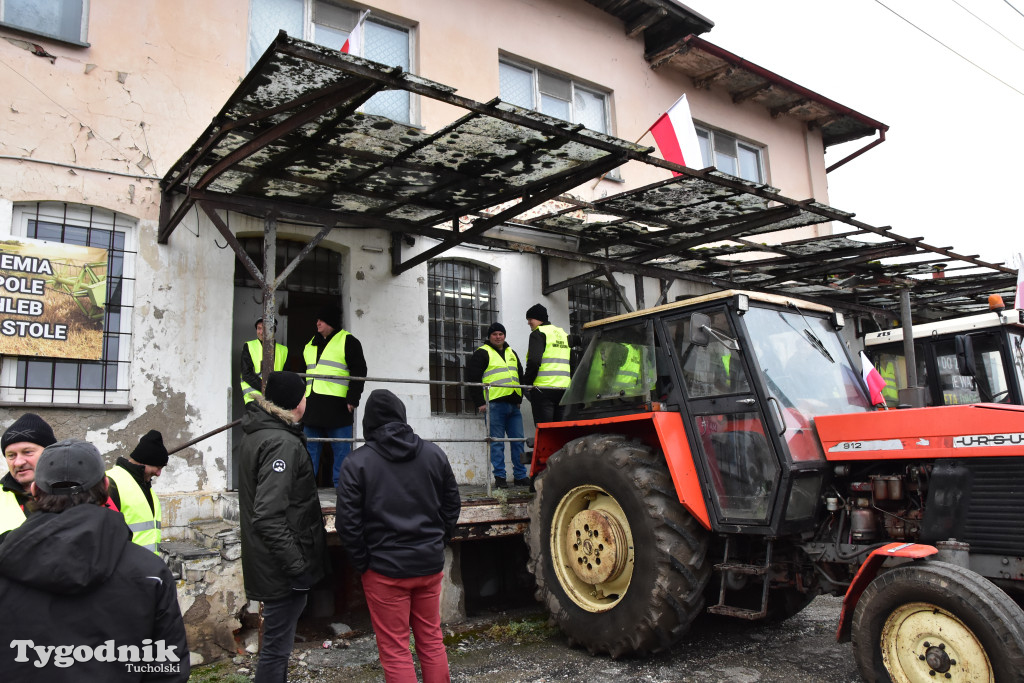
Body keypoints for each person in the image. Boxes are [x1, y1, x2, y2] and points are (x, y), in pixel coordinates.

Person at [0, 439, 189, 682]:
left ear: (35, 490)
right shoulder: (150, 572)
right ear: (106, 488)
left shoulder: (6, 563)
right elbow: (167, 671)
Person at [336, 389, 461, 683]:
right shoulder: (434, 454)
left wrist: (363, 562)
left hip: (384, 570)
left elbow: (348, 523)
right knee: (431, 639)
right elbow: (452, 505)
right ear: (402, 416)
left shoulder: (357, 463)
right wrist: (438, 542)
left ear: (368, 423)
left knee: (395, 650)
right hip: (428, 564)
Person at [238, 371, 328, 683]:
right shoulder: (281, 443)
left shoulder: (260, 433)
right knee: (276, 650)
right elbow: (267, 515)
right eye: (304, 396)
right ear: (295, 403)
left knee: (277, 648)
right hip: (280, 568)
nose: (306, 402)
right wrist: (297, 568)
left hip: (269, 561)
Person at [302, 305, 367, 487]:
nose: (317, 323)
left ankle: (342, 487)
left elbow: (359, 371)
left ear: (331, 321)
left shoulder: (348, 341)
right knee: (310, 450)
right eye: (317, 320)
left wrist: (353, 398)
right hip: (312, 407)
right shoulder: (310, 344)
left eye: (321, 320)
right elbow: (304, 374)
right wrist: (301, 400)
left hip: (338, 407)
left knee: (341, 450)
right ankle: (305, 487)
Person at [465, 322, 528, 489]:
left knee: (518, 441)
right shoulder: (482, 352)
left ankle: (520, 476)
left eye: (501, 334)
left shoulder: (511, 352)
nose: (498, 337)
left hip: (513, 405)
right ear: (489, 336)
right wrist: (480, 402)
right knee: (496, 443)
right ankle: (500, 478)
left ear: (504, 335)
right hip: (494, 404)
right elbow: (473, 379)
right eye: (495, 334)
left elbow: (520, 376)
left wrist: (519, 398)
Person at [107, 429, 167, 554]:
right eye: (158, 467)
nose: (158, 473)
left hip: (148, 563)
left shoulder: (145, 488)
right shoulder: (111, 483)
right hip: (126, 565)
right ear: (145, 461)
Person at [1, 413, 56, 535]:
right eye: (11, 455)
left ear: (50, 453)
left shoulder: (77, 493)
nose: (18, 462)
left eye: (27, 452)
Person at [523, 303, 571, 423]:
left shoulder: (538, 333)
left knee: (545, 429)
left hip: (543, 389)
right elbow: (572, 361)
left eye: (530, 319)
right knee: (560, 429)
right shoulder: (563, 334)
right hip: (564, 389)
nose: (528, 322)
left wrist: (527, 383)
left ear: (538, 318)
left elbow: (534, 361)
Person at [241, 318, 289, 405]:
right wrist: (267, 389)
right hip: (254, 399)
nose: (261, 332)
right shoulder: (249, 346)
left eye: (265, 328)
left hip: (275, 399)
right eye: (259, 328)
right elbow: (246, 374)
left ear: (273, 330)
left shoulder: (284, 350)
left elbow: (287, 376)